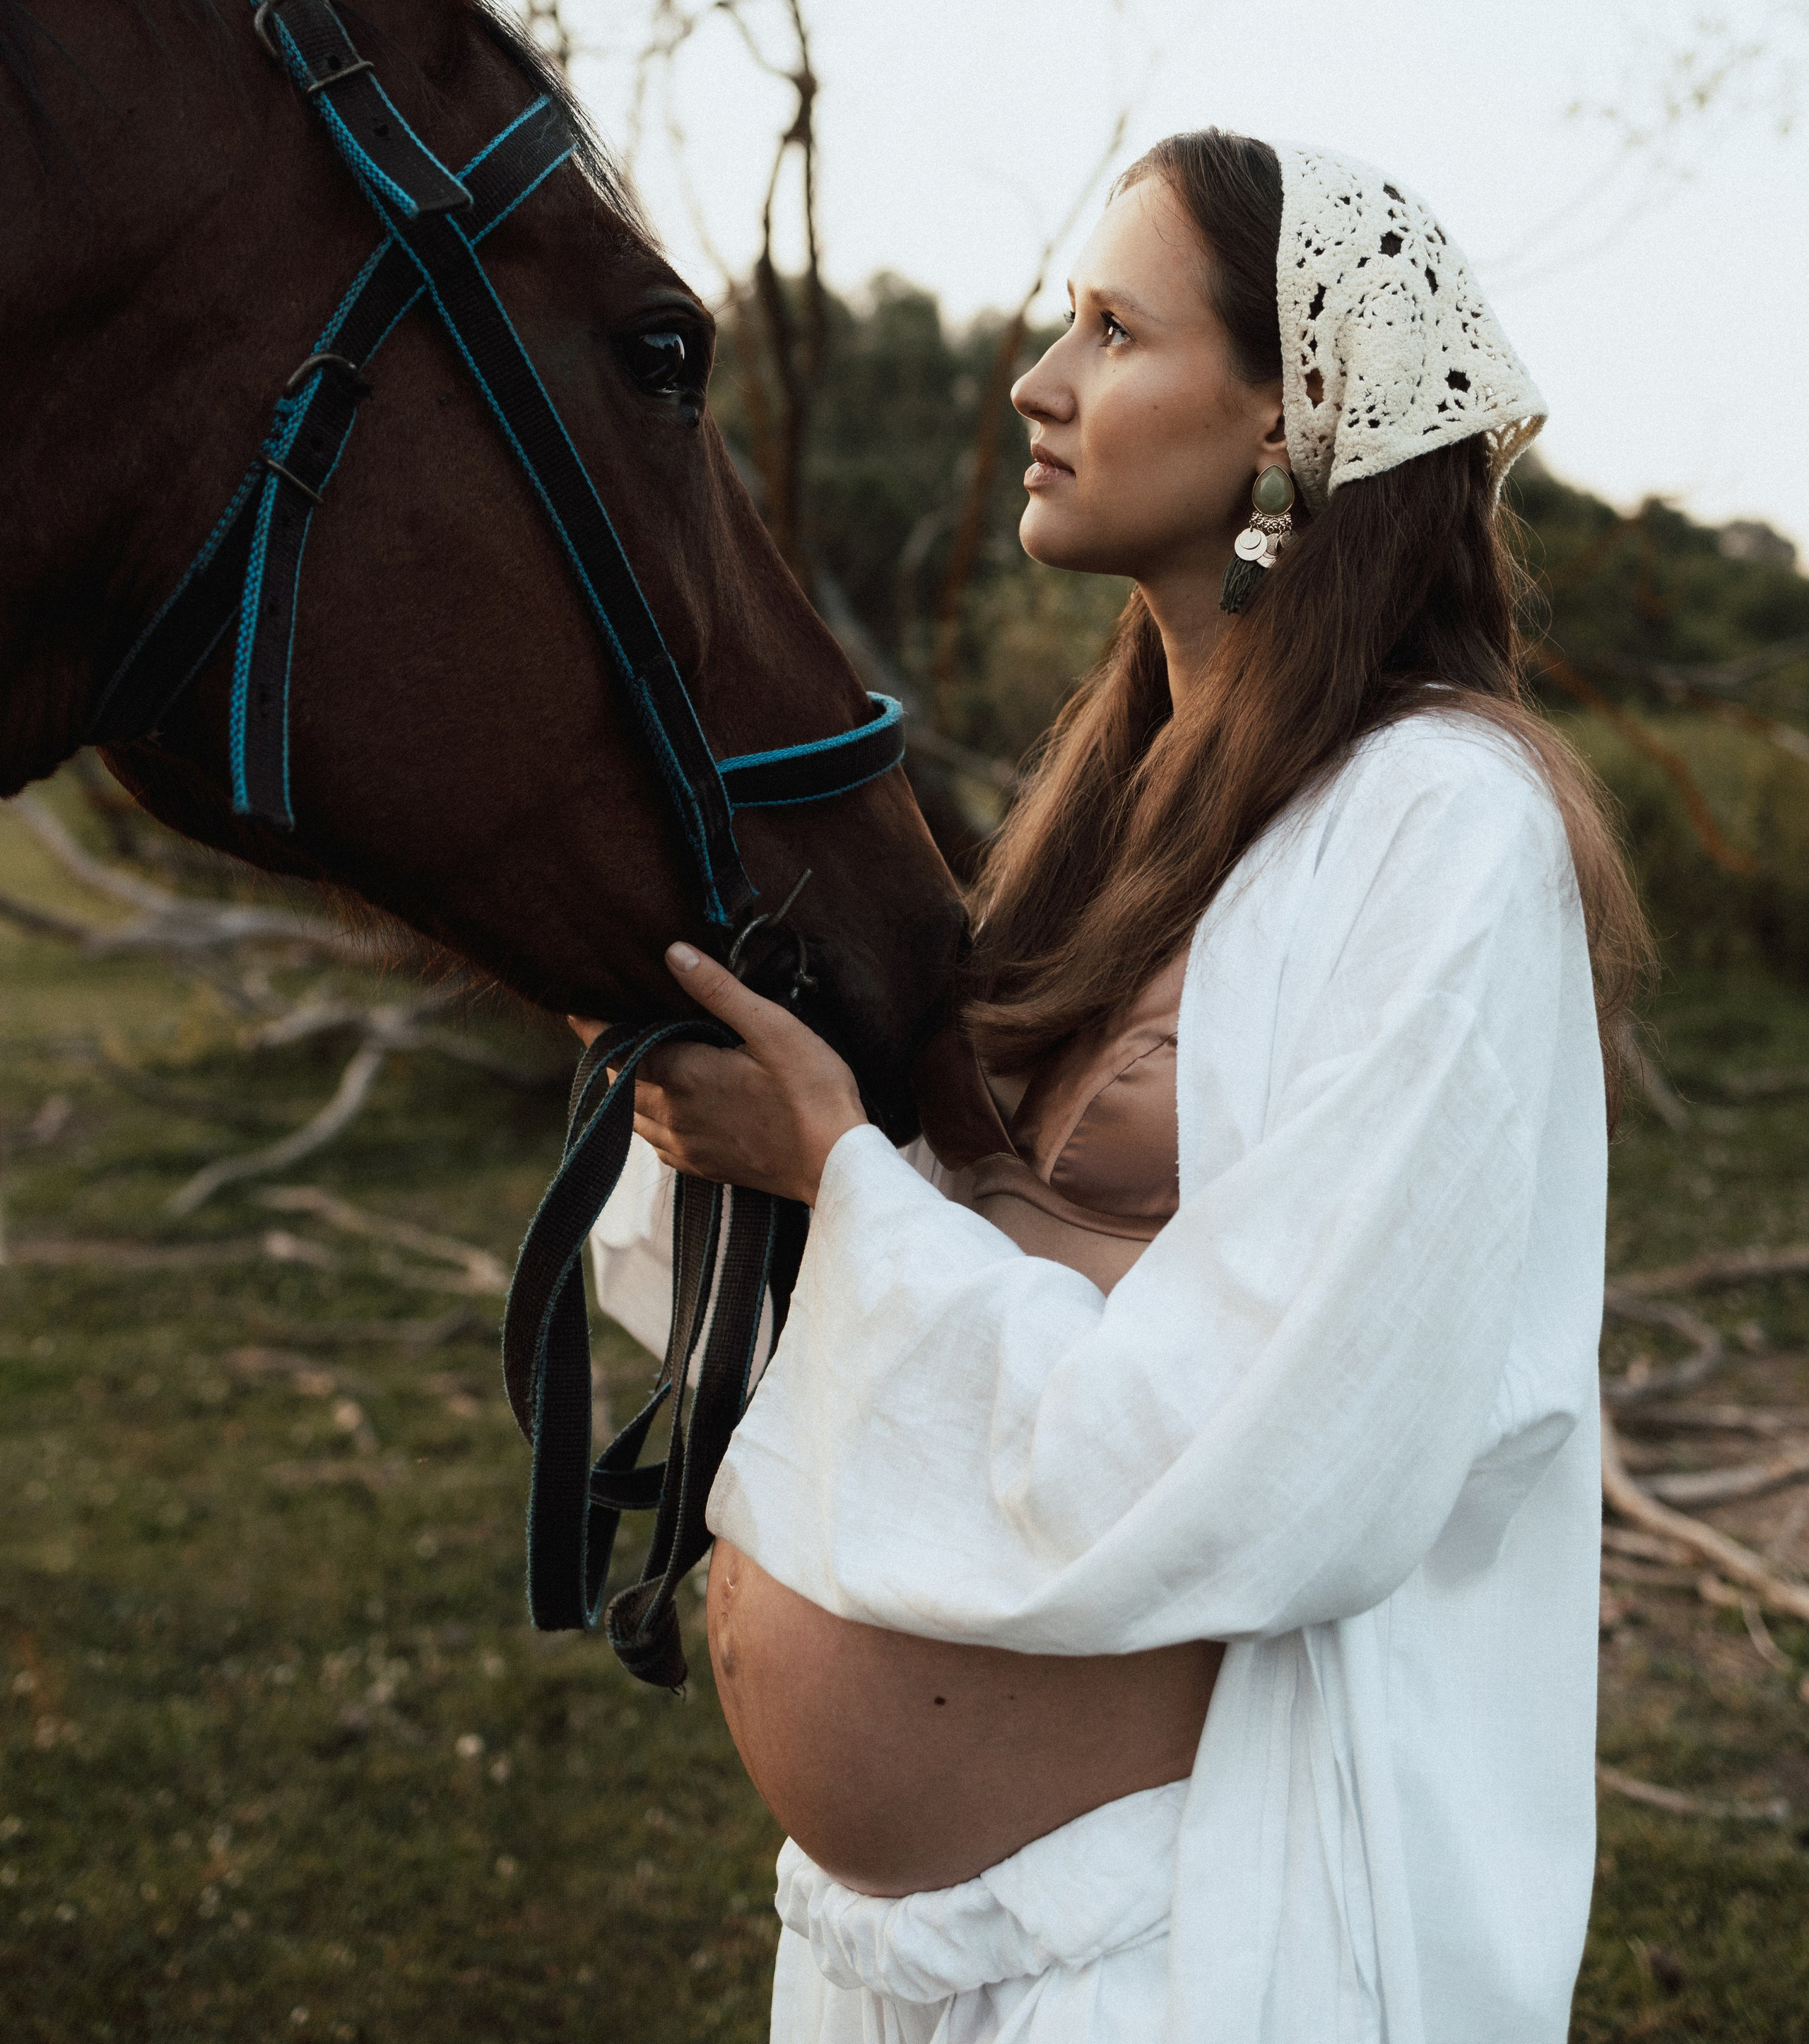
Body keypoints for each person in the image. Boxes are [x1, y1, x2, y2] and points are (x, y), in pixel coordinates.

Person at [586, 131, 1646, 2043]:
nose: (1036, 385)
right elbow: (947, 1235)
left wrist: (841, 1184)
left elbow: (1297, 1432)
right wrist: (717, 1105)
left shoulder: (1442, 824)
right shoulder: (1125, 801)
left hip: (1183, 1942)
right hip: (911, 1948)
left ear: (1281, 419)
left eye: (1110, 330)